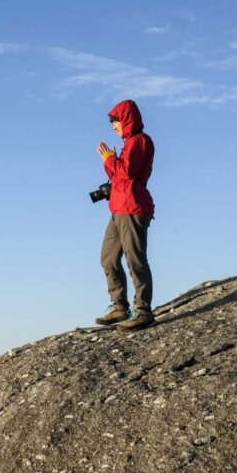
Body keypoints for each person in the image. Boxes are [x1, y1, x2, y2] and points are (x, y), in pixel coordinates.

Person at [93, 99, 155, 330]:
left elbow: (126, 173)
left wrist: (109, 159)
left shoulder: (140, 141)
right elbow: (122, 175)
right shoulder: (130, 143)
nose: (113, 126)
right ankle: (120, 307)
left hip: (133, 208)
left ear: (126, 119)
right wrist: (112, 160)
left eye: (115, 121)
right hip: (119, 208)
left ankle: (143, 311)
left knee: (134, 259)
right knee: (108, 258)